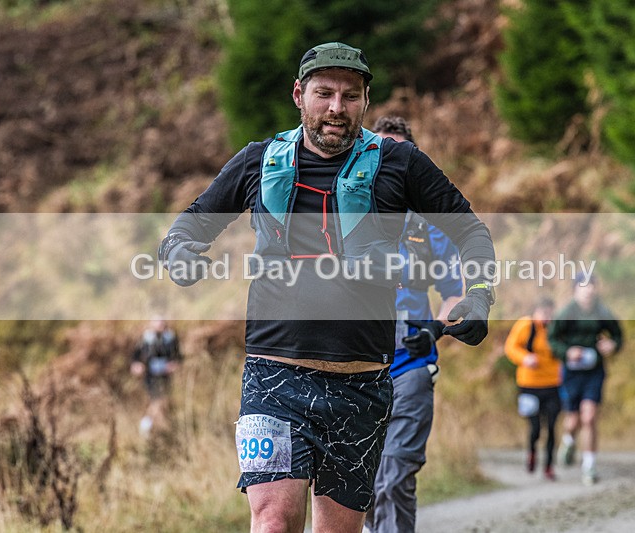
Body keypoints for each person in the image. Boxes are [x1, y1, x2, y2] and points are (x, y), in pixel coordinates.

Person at [157, 42, 495, 533]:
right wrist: (179, 255)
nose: (337, 108)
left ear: (365, 101)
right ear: (299, 95)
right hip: (274, 380)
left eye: (350, 96)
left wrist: (479, 293)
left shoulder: (400, 164)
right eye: (324, 94)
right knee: (273, 521)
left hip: (361, 386)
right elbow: (186, 228)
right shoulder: (258, 161)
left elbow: (470, 231)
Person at [364, 116, 464, 533]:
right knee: (361, 484)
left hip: (411, 364)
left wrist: (435, 329)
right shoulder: (346, 216)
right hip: (355, 369)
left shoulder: (429, 228)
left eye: (400, 153)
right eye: (382, 151)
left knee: (396, 474)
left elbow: (456, 294)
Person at [547, 274, 622, 485]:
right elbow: (552, 339)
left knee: (589, 417)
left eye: (591, 286)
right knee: (573, 420)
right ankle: (568, 440)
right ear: (575, 290)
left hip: (594, 371)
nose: (588, 290)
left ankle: (589, 466)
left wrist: (612, 345)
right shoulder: (566, 313)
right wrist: (567, 352)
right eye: (584, 286)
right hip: (571, 373)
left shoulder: (602, 312)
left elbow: (618, 336)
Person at [504, 297, 561, 481]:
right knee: (535, 426)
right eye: (543, 313)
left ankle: (549, 466)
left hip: (553, 384)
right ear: (535, 311)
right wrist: (525, 358)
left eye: (549, 313)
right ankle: (532, 452)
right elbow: (511, 347)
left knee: (551, 426)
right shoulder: (525, 326)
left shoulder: (556, 328)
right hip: (528, 385)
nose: (546, 317)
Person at [130, 317, 181, 437]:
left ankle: (155, 429)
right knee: (156, 400)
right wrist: (137, 365)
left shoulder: (171, 339)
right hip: (150, 376)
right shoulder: (145, 339)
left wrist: (174, 365)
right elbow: (135, 357)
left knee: (163, 401)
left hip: (165, 376)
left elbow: (178, 357)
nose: (160, 327)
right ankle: (146, 427)